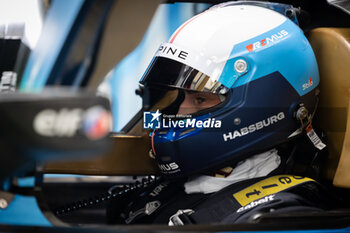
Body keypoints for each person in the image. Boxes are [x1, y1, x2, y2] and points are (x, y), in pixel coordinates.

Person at [108, 2, 339, 225]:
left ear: (265, 99)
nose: (178, 113)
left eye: (200, 99)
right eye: (179, 97)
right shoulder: (174, 186)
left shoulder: (279, 216)